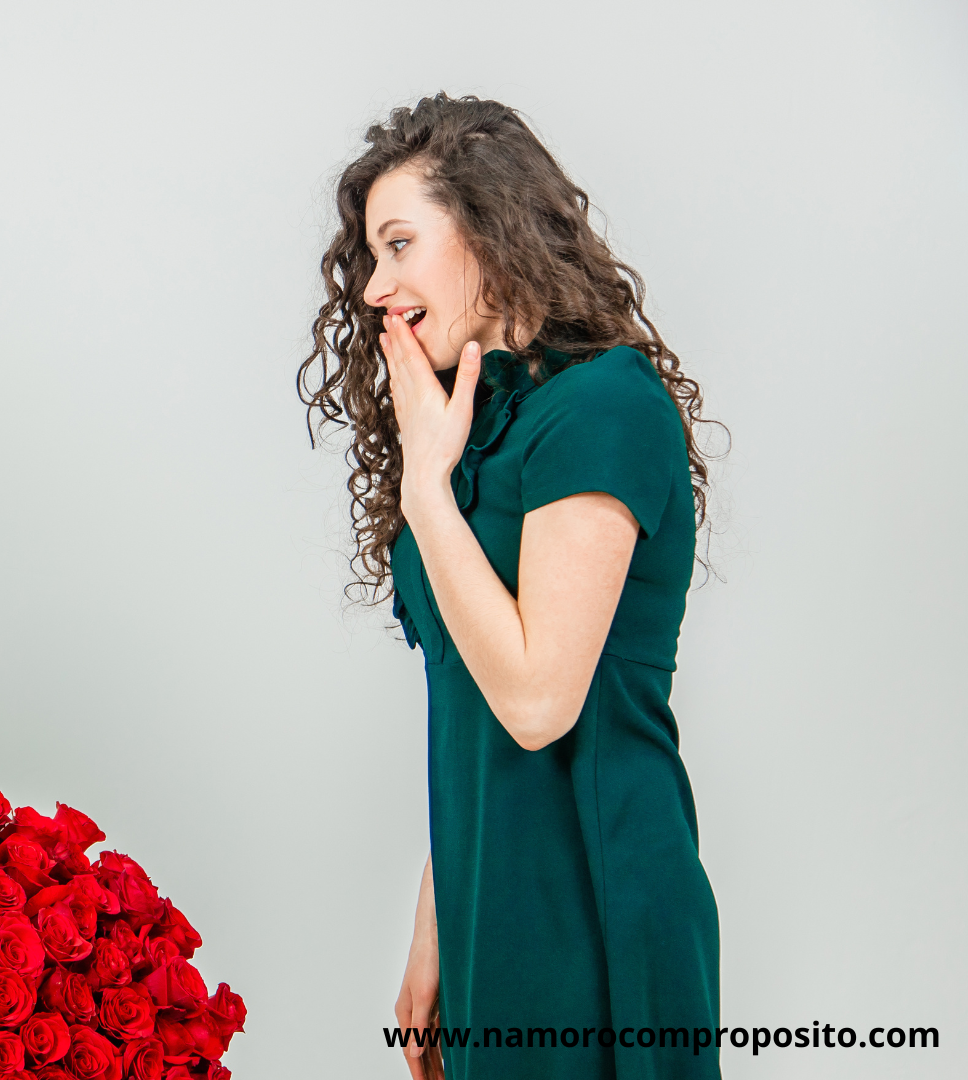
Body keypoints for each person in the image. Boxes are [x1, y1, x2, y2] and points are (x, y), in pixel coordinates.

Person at [299, 95, 721, 1079]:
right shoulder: (476, 422)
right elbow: (473, 708)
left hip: (594, 896)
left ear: (489, 226)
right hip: (492, 893)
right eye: (370, 256)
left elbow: (536, 701)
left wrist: (424, 489)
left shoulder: (603, 406)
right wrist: (436, 925)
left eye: (400, 244)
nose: (375, 287)